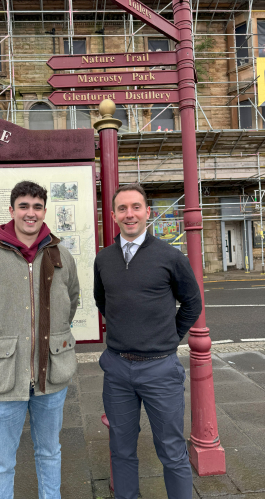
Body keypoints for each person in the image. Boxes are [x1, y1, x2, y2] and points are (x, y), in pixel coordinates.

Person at [0, 180, 79, 499]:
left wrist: (52, 335)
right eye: (24, 206)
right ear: (11, 210)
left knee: (50, 453)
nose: (31, 213)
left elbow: (72, 300)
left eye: (37, 206)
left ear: (44, 211)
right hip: (3, 376)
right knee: (1, 461)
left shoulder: (62, 257)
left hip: (51, 375)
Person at [94, 184, 202, 499]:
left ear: (147, 213)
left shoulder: (170, 256)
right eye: (123, 208)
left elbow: (192, 303)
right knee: (121, 449)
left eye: (136, 207)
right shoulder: (103, 259)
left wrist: (168, 337)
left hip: (160, 370)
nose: (130, 214)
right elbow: (104, 302)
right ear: (113, 215)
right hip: (117, 370)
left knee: (171, 450)